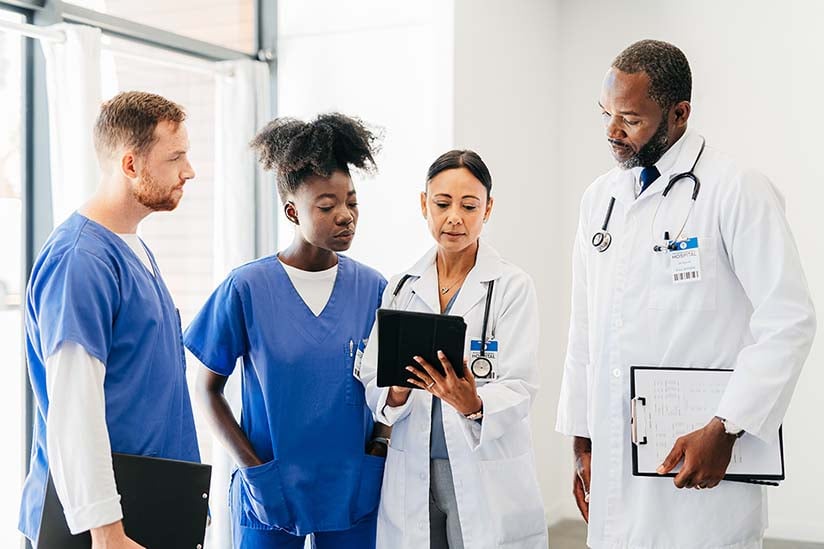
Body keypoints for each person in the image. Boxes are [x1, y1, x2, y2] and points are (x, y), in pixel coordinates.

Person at [556, 39, 817, 548]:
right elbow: (585, 326)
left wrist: (728, 427)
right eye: (605, 113)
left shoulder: (736, 189)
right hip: (616, 461)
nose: (611, 131)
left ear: (679, 113)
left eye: (629, 119)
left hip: (703, 457)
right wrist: (582, 438)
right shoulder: (600, 200)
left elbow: (789, 320)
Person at [183, 113, 387, 549]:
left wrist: (378, 450)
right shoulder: (247, 288)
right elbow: (206, 390)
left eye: (352, 202)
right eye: (327, 206)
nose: (346, 216)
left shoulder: (373, 288)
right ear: (293, 211)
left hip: (354, 486)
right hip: (270, 488)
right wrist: (255, 471)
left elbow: (392, 387)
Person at [19, 91, 200, 548]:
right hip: (101, 525)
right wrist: (106, 531)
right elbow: (73, 404)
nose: (189, 171)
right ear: (130, 165)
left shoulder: (130, 246)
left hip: (148, 502)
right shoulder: (80, 260)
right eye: (175, 157)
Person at [358, 150, 548, 549]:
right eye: (442, 204)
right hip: (414, 468)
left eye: (469, 205)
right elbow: (373, 374)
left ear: (488, 208)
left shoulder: (512, 287)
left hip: (482, 469)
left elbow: (521, 385)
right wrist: (394, 392)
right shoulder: (400, 287)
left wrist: (473, 404)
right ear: (424, 204)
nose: (454, 218)